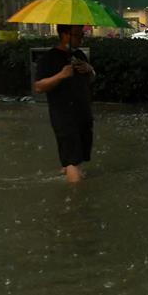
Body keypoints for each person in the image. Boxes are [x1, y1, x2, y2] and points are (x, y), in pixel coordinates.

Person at [33, 24, 95, 183]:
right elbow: (39, 87)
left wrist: (90, 69)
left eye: (82, 34)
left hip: (83, 113)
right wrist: (60, 76)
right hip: (64, 116)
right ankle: (77, 199)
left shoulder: (79, 55)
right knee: (73, 159)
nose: (81, 38)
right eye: (78, 35)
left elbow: (91, 79)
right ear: (65, 35)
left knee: (78, 156)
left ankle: (67, 172)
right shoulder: (49, 59)